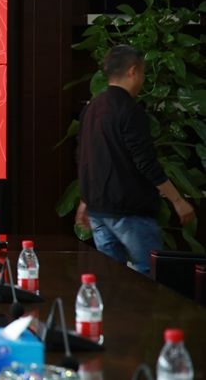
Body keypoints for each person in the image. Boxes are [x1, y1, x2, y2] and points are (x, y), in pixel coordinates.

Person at [75, 44, 195, 277]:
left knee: (110, 281)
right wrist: (178, 200)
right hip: (129, 211)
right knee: (151, 275)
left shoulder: (91, 109)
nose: (142, 78)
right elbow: (145, 161)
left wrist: (85, 199)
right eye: (142, 72)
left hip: (98, 211)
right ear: (133, 71)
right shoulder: (130, 110)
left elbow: (85, 158)